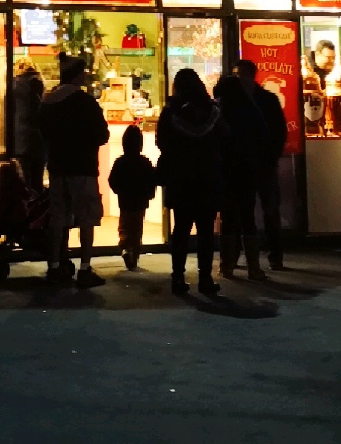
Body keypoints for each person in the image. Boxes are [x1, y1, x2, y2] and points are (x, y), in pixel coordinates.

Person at [39, 53, 110, 288]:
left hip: (58, 168)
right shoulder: (85, 103)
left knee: (58, 218)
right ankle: (85, 267)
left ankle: (54, 266)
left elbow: (42, 134)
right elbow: (102, 135)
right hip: (83, 168)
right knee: (86, 217)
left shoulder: (48, 102)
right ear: (78, 75)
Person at [157, 71, 223, 297]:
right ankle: (205, 278)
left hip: (181, 179)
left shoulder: (170, 113)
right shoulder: (213, 112)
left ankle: (178, 277)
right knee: (206, 231)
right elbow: (224, 140)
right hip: (207, 178)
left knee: (181, 229)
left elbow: (161, 143)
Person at [235, 57, 289, 270]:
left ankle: (265, 254)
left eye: (241, 75)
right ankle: (266, 255)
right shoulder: (266, 99)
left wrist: (271, 156)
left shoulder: (259, 100)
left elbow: (279, 131)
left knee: (260, 210)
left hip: (258, 163)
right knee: (260, 210)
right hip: (258, 163)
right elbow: (280, 131)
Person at [216, 74, 270, 280]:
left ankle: (226, 265)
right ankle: (254, 267)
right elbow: (264, 138)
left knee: (228, 219)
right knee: (248, 218)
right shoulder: (251, 110)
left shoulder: (219, 112)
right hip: (248, 169)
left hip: (227, 170)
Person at [107, 126, 158, 270]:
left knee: (124, 227)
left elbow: (112, 180)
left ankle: (125, 248)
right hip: (141, 202)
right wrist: (149, 194)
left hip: (125, 201)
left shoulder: (120, 162)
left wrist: (119, 191)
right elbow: (151, 180)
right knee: (137, 229)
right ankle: (134, 256)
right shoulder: (145, 162)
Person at [11, 65, 47, 191]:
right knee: (37, 181)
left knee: (24, 181)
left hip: (19, 141)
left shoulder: (14, 87)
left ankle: (27, 205)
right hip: (37, 143)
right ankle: (35, 206)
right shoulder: (36, 88)